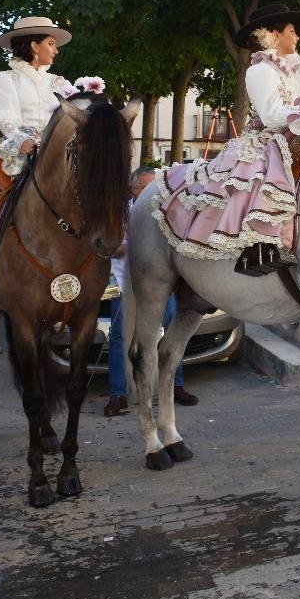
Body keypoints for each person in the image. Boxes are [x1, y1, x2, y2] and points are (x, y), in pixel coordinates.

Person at [154, 4, 300, 267]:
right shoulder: (259, 70)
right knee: (258, 170)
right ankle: (258, 249)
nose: (297, 37)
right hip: (267, 139)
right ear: (275, 34)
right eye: (292, 31)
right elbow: (271, 115)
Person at [0, 16, 80, 273]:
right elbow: (3, 118)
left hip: (58, 157)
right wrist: (21, 140)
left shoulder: (60, 84)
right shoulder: (4, 78)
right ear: (35, 46)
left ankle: (101, 268)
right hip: (17, 157)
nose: (56, 50)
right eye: (51, 44)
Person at [105, 166, 196, 417]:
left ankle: (176, 385)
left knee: (173, 329)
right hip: (126, 283)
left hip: (160, 284)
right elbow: (111, 248)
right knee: (120, 336)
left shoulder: (165, 210)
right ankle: (118, 393)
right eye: (146, 187)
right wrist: (139, 247)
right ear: (133, 189)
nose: (152, 192)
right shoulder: (119, 213)